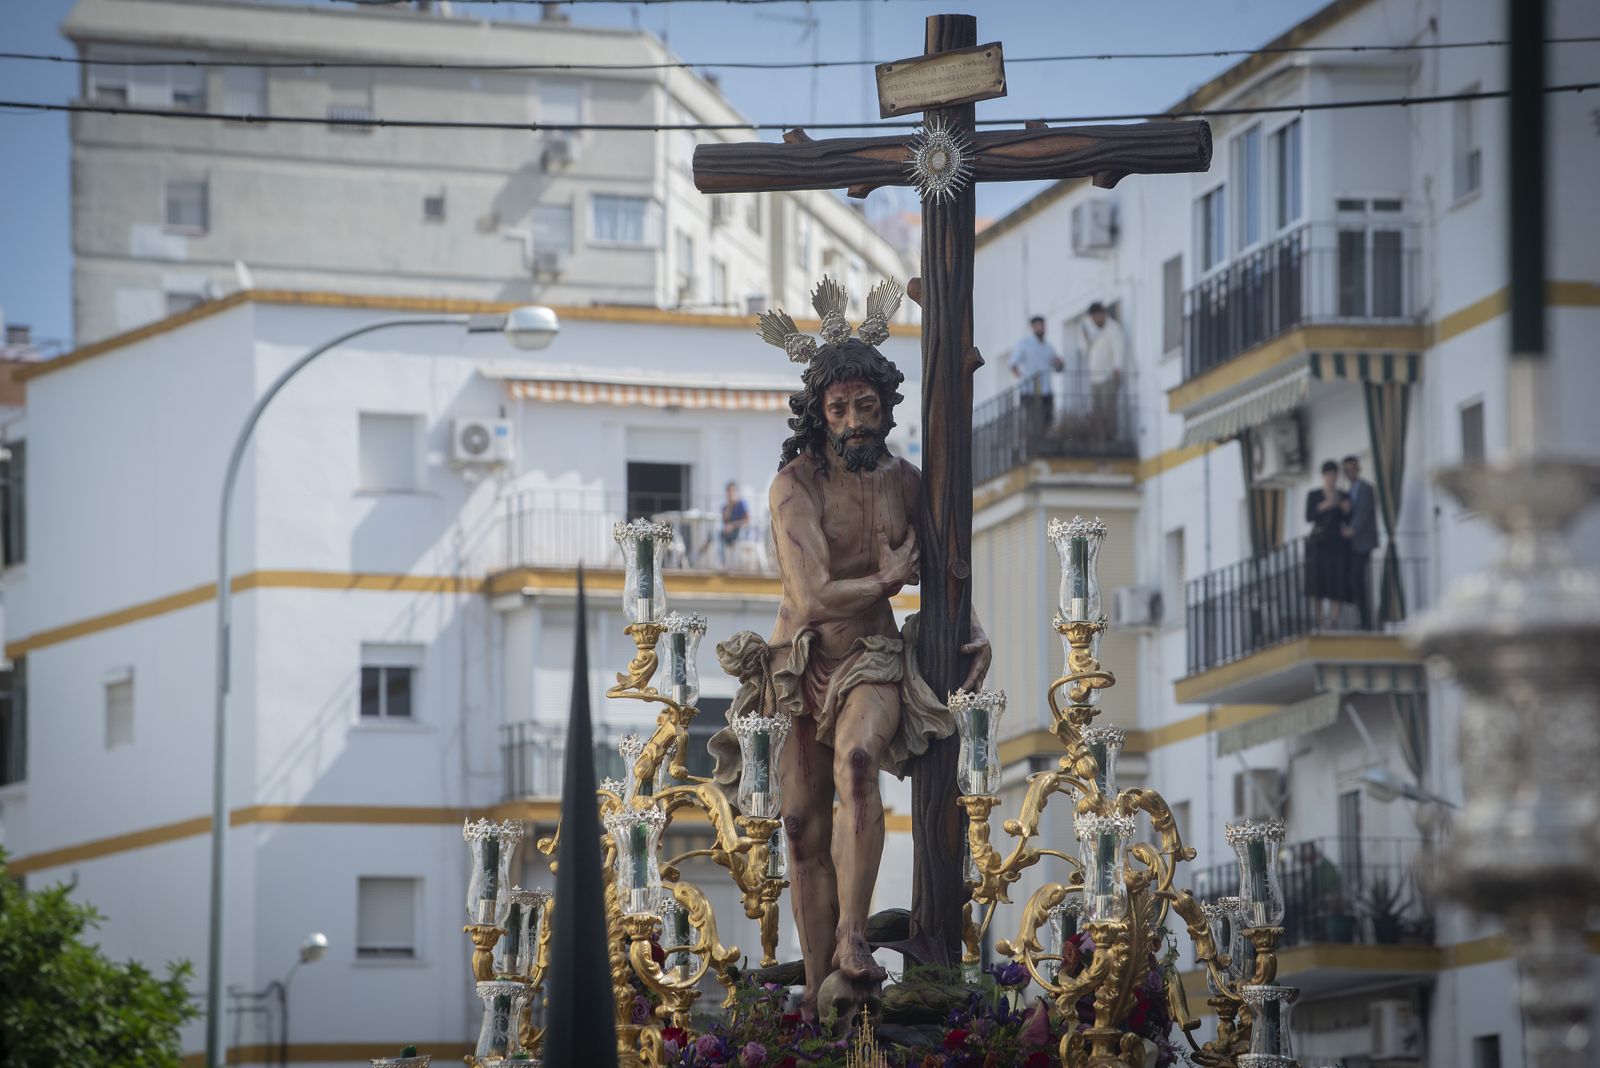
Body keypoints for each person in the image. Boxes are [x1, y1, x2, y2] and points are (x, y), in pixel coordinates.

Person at [713, 301, 992, 1020]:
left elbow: (941, 566)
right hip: (798, 663)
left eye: (867, 405)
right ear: (819, 414)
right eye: (839, 408)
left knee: (861, 764)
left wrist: (974, 627)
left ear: (885, 407)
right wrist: (884, 582)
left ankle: (852, 940)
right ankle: (815, 993)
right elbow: (807, 599)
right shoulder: (793, 487)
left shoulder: (904, 481)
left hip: (872, 654)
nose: (855, 420)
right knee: (801, 828)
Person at [1304, 460, 1350, 628]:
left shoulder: (1343, 495)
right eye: (1328, 474)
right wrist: (1323, 506)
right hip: (1318, 543)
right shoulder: (1314, 495)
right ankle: (1319, 620)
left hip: (1336, 542)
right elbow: (1309, 517)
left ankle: (1334, 620)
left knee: (1336, 581)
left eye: (1333, 474)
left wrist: (1346, 509)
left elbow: (1347, 519)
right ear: (1323, 476)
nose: (1331, 478)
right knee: (1318, 583)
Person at [1008, 315, 1063, 438]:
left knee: (1047, 420)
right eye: (1038, 325)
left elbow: (1058, 366)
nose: (1040, 328)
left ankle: (1044, 443)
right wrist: (1019, 375)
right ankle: (1032, 444)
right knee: (1031, 422)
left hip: (1046, 391)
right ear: (1033, 327)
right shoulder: (1025, 344)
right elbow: (1013, 363)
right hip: (1029, 391)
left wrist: (1059, 363)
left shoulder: (1049, 347)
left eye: (1042, 325)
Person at [1079, 301, 1127, 441]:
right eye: (1094, 317)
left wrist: (1117, 368)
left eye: (1098, 316)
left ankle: (1110, 436)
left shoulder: (1113, 329)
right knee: (1097, 410)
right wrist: (1086, 339)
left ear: (1103, 314)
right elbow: (1084, 351)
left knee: (1109, 409)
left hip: (1109, 375)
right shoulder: (1091, 331)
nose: (1096, 319)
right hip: (1095, 377)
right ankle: (1099, 437)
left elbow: (1118, 349)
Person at [1342, 454, 1379, 629]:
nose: (1349, 472)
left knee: (1360, 579)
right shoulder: (1349, 491)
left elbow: (1364, 512)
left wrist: (1352, 529)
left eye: (1352, 469)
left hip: (1363, 542)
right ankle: (1362, 619)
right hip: (1353, 544)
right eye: (1346, 470)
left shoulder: (1365, 488)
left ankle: (1367, 621)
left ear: (1357, 469)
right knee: (1356, 581)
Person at [719, 480, 749, 564]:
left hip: (740, 531)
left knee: (721, 535)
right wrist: (730, 506)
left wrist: (733, 525)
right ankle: (723, 562)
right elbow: (724, 521)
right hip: (728, 533)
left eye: (732, 490)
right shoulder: (725, 507)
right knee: (716, 534)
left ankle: (728, 563)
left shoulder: (742, 504)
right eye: (729, 491)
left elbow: (747, 520)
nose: (730, 493)